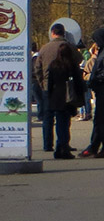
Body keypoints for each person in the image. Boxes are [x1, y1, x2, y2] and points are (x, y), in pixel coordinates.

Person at [33, 24, 82, 158]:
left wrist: (42, 82)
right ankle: (63, 144)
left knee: (47, 116)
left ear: (53, 33)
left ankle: (47, 144)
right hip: (65, 88)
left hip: (47, 87)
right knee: (63, 117)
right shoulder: (69, 47)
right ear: (63, 33)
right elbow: (80, 60)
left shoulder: (44, 48)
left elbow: (37, 68)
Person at [80, 27, 104, 159]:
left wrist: (96, 79)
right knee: (99, 119)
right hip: (102, 89)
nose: (95, 43)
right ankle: (94, 145)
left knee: (103, 120)